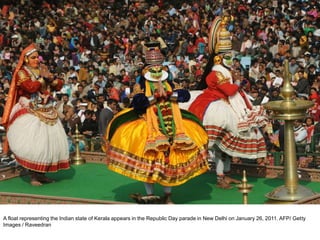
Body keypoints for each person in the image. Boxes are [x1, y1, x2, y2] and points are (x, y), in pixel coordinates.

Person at [104, 44, 209, 204]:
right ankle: (150, 194)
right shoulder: (141, 84)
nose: (157, 70)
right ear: (147, 69)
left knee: (171, 161)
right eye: (153, 68)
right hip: (149, 125)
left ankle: (167, 195)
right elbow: (139, 103)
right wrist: (155, 97)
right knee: (149, 163)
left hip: (174, 123)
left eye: (159, 67)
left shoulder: (169, 82)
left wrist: (169, 94)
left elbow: (184, 95)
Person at [188, 15, 268, 189]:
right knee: (218, 146)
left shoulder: (224, 70)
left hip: (231, 102)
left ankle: (226, 174)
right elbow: (229, 90)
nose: (231, 60)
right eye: (228, 57)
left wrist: (237, 82)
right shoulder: (216, 72)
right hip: (218, 103)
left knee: (226, 144)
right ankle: (219, 176)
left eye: (231, 57)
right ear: (219, 58)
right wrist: (238, 82)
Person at [1, 43, 70, 186]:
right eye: (33, 57)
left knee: (47, 144)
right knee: (34, 145)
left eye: (37, 57)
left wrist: (49, 78)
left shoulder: (42, 70)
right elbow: (29, 87)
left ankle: (42, 174)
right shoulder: (22, 73)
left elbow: (58, 85)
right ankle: (33, 175)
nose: (36, 60)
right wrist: (42, 78)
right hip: (29, 110)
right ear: (26, 59)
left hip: (46, 109)